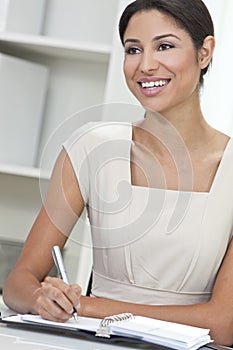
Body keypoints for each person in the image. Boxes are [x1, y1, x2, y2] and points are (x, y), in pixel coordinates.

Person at [3, 0, 233, 346]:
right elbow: (19, 283)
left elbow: (222, 324)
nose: (146, 65)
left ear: (205, 52)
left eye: (165, 46)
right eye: (133, 49)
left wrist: (87, 306)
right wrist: (41, 299)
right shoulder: (91, 148)